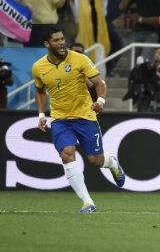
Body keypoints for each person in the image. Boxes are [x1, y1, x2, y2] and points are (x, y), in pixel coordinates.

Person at [32, 26, 125, 213]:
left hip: (84, 115)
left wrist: (100, 99)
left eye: (62, 39)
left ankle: (112, 162)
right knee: (66, 154)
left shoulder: (80, 59)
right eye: (56, 40)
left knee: (95, 160)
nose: (61, 43)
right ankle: (87, 203)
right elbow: (40, 91)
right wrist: (42, 114)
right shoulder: (38, 67)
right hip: (60, 118)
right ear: (46, 44)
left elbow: (99, 83)